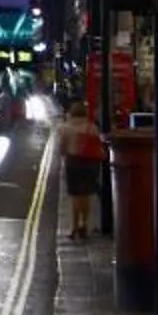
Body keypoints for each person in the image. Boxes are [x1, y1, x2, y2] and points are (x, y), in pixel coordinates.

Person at [58, 103, 106, 241]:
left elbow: (62, 149)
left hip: (73, 162)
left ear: (71, 113)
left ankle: (74, 227)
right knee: (86, 195)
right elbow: (99, 145)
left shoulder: (65, 127)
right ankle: (84, 224)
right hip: (91, 164)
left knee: (75, 196)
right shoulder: (92, 127)